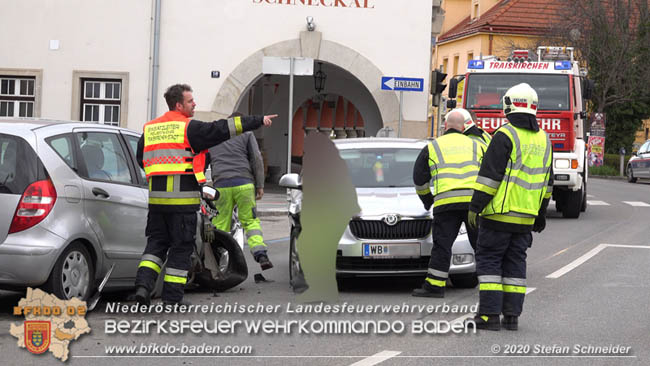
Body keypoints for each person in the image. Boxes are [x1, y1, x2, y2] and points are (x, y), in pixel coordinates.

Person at [134, 84, 276, 306]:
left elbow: (140, 158)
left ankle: (143, 288)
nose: (195, 104)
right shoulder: (187, 128)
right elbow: (221, 129)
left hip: (157, 203)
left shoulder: (150, 129)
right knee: (180, 250)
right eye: (191, 101)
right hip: (182, 204)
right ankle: (172, 300)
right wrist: (257, 120)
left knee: (155, 247)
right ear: (179, 104)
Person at [467, 83, 553, 331]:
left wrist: (475, 206)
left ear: (508, 105)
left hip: (498, 216)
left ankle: (488, 316)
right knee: (515, 267)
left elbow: (489, 177)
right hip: (525, 218)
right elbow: (547, 182)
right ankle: (512, 317)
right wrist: (540, 213)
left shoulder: (504, 135)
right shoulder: (544, 139)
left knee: (490, 263)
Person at [411, 109, 483, 298]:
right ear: (464, 127)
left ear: (445, 127)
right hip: (473, 204)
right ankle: (489, 285)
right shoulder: (477, 145)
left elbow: (419, 178)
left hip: (446, 205)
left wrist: (428, 200)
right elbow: (490, 173)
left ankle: (435, 286)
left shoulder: (433, 146)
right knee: (481, 246)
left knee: (442, 245)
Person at [208, 112, 272, 270]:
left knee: (220, 223)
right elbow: (256, 158)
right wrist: (260, 185)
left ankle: (215, 258)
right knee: (250, 221)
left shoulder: (215, 135)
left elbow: (204, 159)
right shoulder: (247, 133)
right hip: (244, 184)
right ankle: (260, 254)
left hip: (221, 185)